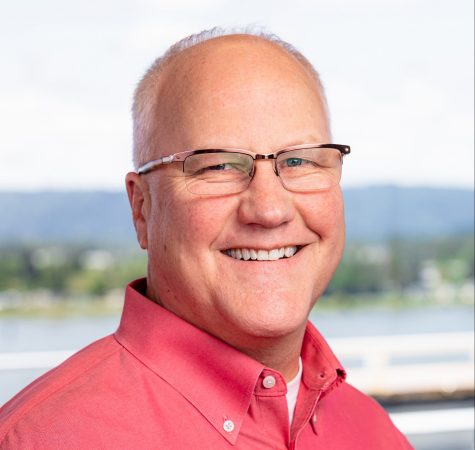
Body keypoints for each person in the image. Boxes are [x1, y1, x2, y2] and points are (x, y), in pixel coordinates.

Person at [0, 28, 413, 449]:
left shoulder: (376, 434)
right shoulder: (37, 439)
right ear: (142, 208)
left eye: (299, 161)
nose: (269, 210)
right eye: (217, 167)